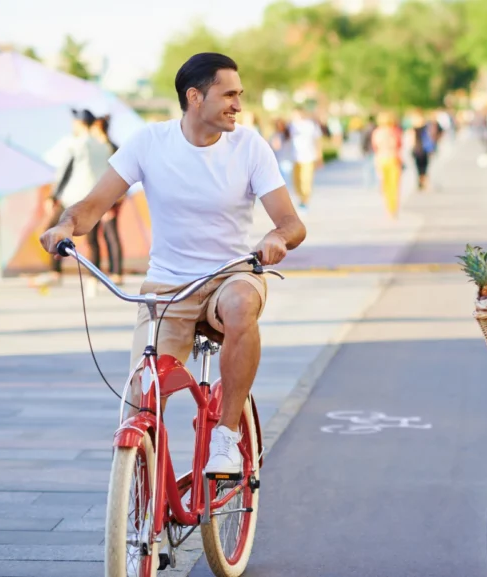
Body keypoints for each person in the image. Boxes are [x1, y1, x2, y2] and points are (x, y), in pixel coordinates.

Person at [39, 52, 306, 477]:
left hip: (231, 274)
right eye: (229, 94)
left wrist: (276, 237)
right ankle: (150, 516)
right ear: (195, 97)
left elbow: (292, 223)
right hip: (167, 288)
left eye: (240, 94)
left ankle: (226, 435)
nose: (238, 104)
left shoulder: (250, 147)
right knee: (144, 399)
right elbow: (93, 205)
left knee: (241, 304)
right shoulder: (149, 143)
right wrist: (66, 225)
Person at [40, 108, 111, 285]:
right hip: (93, 198)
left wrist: (53, 196)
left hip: (72, 197)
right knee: (93, 239)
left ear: (79, 123)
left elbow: (66, 171)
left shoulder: (76, 144)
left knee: (54, 231)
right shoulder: (103, 146)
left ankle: (55, 272)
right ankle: (94, 278)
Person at [89, 115, 124, 284]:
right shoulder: (95, 149)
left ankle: (116, 272)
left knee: (111, 234)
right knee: (93, 236)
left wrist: (111, 204)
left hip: (111, 200)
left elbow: (118, 179)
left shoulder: (112, 149)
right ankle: (95, 273)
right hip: (97, 199)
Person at [288, 108, 323, 212]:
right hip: (295, 157)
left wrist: (319, 156)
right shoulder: (291, 126)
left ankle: (305, 202)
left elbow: (317, 141)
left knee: (306, 181)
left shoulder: (310, 125)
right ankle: (301, 199)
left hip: (308, 157)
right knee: (296, 181)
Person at [370, 111, 403, 219]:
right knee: (394, 186)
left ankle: (389, 208)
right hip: (393, 158)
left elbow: (375, 147)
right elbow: (399, 145)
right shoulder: (395, 131)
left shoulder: (377, 132)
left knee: (385, 185)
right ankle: (393, 208)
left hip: (381, 159)